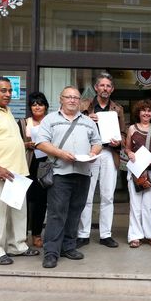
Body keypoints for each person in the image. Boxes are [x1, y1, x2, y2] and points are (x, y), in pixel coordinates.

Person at [36, 86, 102, 268]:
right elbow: (41, 143)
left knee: (75, 212)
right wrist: (61, 153)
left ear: (80, 101)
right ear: (61, 99)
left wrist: (92, 152)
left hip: (82, 173)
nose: (73, 100)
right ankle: (51, 252)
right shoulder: (50, 119)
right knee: (57, 213)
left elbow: (97, 143)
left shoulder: (88, 121)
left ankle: (68, 247)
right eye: (69, 97)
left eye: (76, 97)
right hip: (59, 173)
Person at [77, 72, 126, 249]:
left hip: (108, 152)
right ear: (96, 87)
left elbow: (123, 132)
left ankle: (106, 234)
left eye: (108, 86)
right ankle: (83, 234)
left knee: (107, 196)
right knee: (87, 195)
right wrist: (86, 118)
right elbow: (73, 125)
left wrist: (120, 141)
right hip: (90, 153)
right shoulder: (84, 106)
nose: (105, 88)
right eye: (102, 85)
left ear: (112, 89)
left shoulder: (117, 109)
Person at [0, 77, 39, 265]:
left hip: (17, 173)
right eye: (3, 90)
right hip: (1, 171)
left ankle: (17, 246)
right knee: (0, 214)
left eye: (9, 91)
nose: (7, 94)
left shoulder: (7, 112)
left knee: (18, 212)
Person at [125, 99, 151, 248]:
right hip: (136, 171)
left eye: (149, 111)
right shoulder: (132, 129)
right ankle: (135, 236)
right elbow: (127, 148)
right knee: (135, 205)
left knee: (150, 204)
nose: (146, 113)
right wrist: (129, 153)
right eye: (144, 110)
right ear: (138, 112)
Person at [18, 92, 49, 248]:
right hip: (27, 166)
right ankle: (22, 235)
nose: (37, 106)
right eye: (34, 104)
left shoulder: (50, 122)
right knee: (25, 202)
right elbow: (14, 143)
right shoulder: (23, 123)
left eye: (40, 103)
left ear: (46, 106)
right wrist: (27, 144)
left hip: (45, 167)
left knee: (41, 202)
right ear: (30, 107)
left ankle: (37, 234)